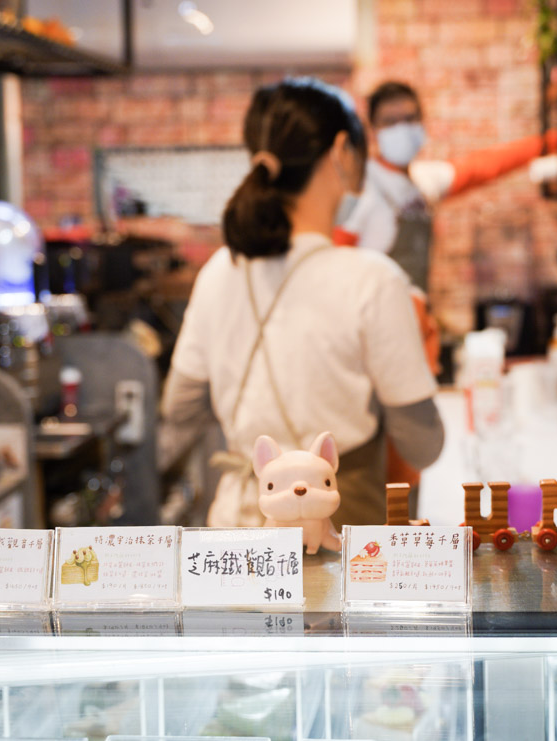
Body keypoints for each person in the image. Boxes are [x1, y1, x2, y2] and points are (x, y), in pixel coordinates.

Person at [159, 78, 444, 529]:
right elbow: (424, 444)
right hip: (339, 530)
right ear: (340, 152)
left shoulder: (218, 271)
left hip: (240, 532)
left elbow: (180, 408)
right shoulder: (372, 279)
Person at [335, 81, 434, 293]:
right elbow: (336, 256)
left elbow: (480, 168)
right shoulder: (363, 185)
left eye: (409, 119)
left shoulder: (420, 183)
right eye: (390, 122)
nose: (402, 129)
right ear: (373, 129)